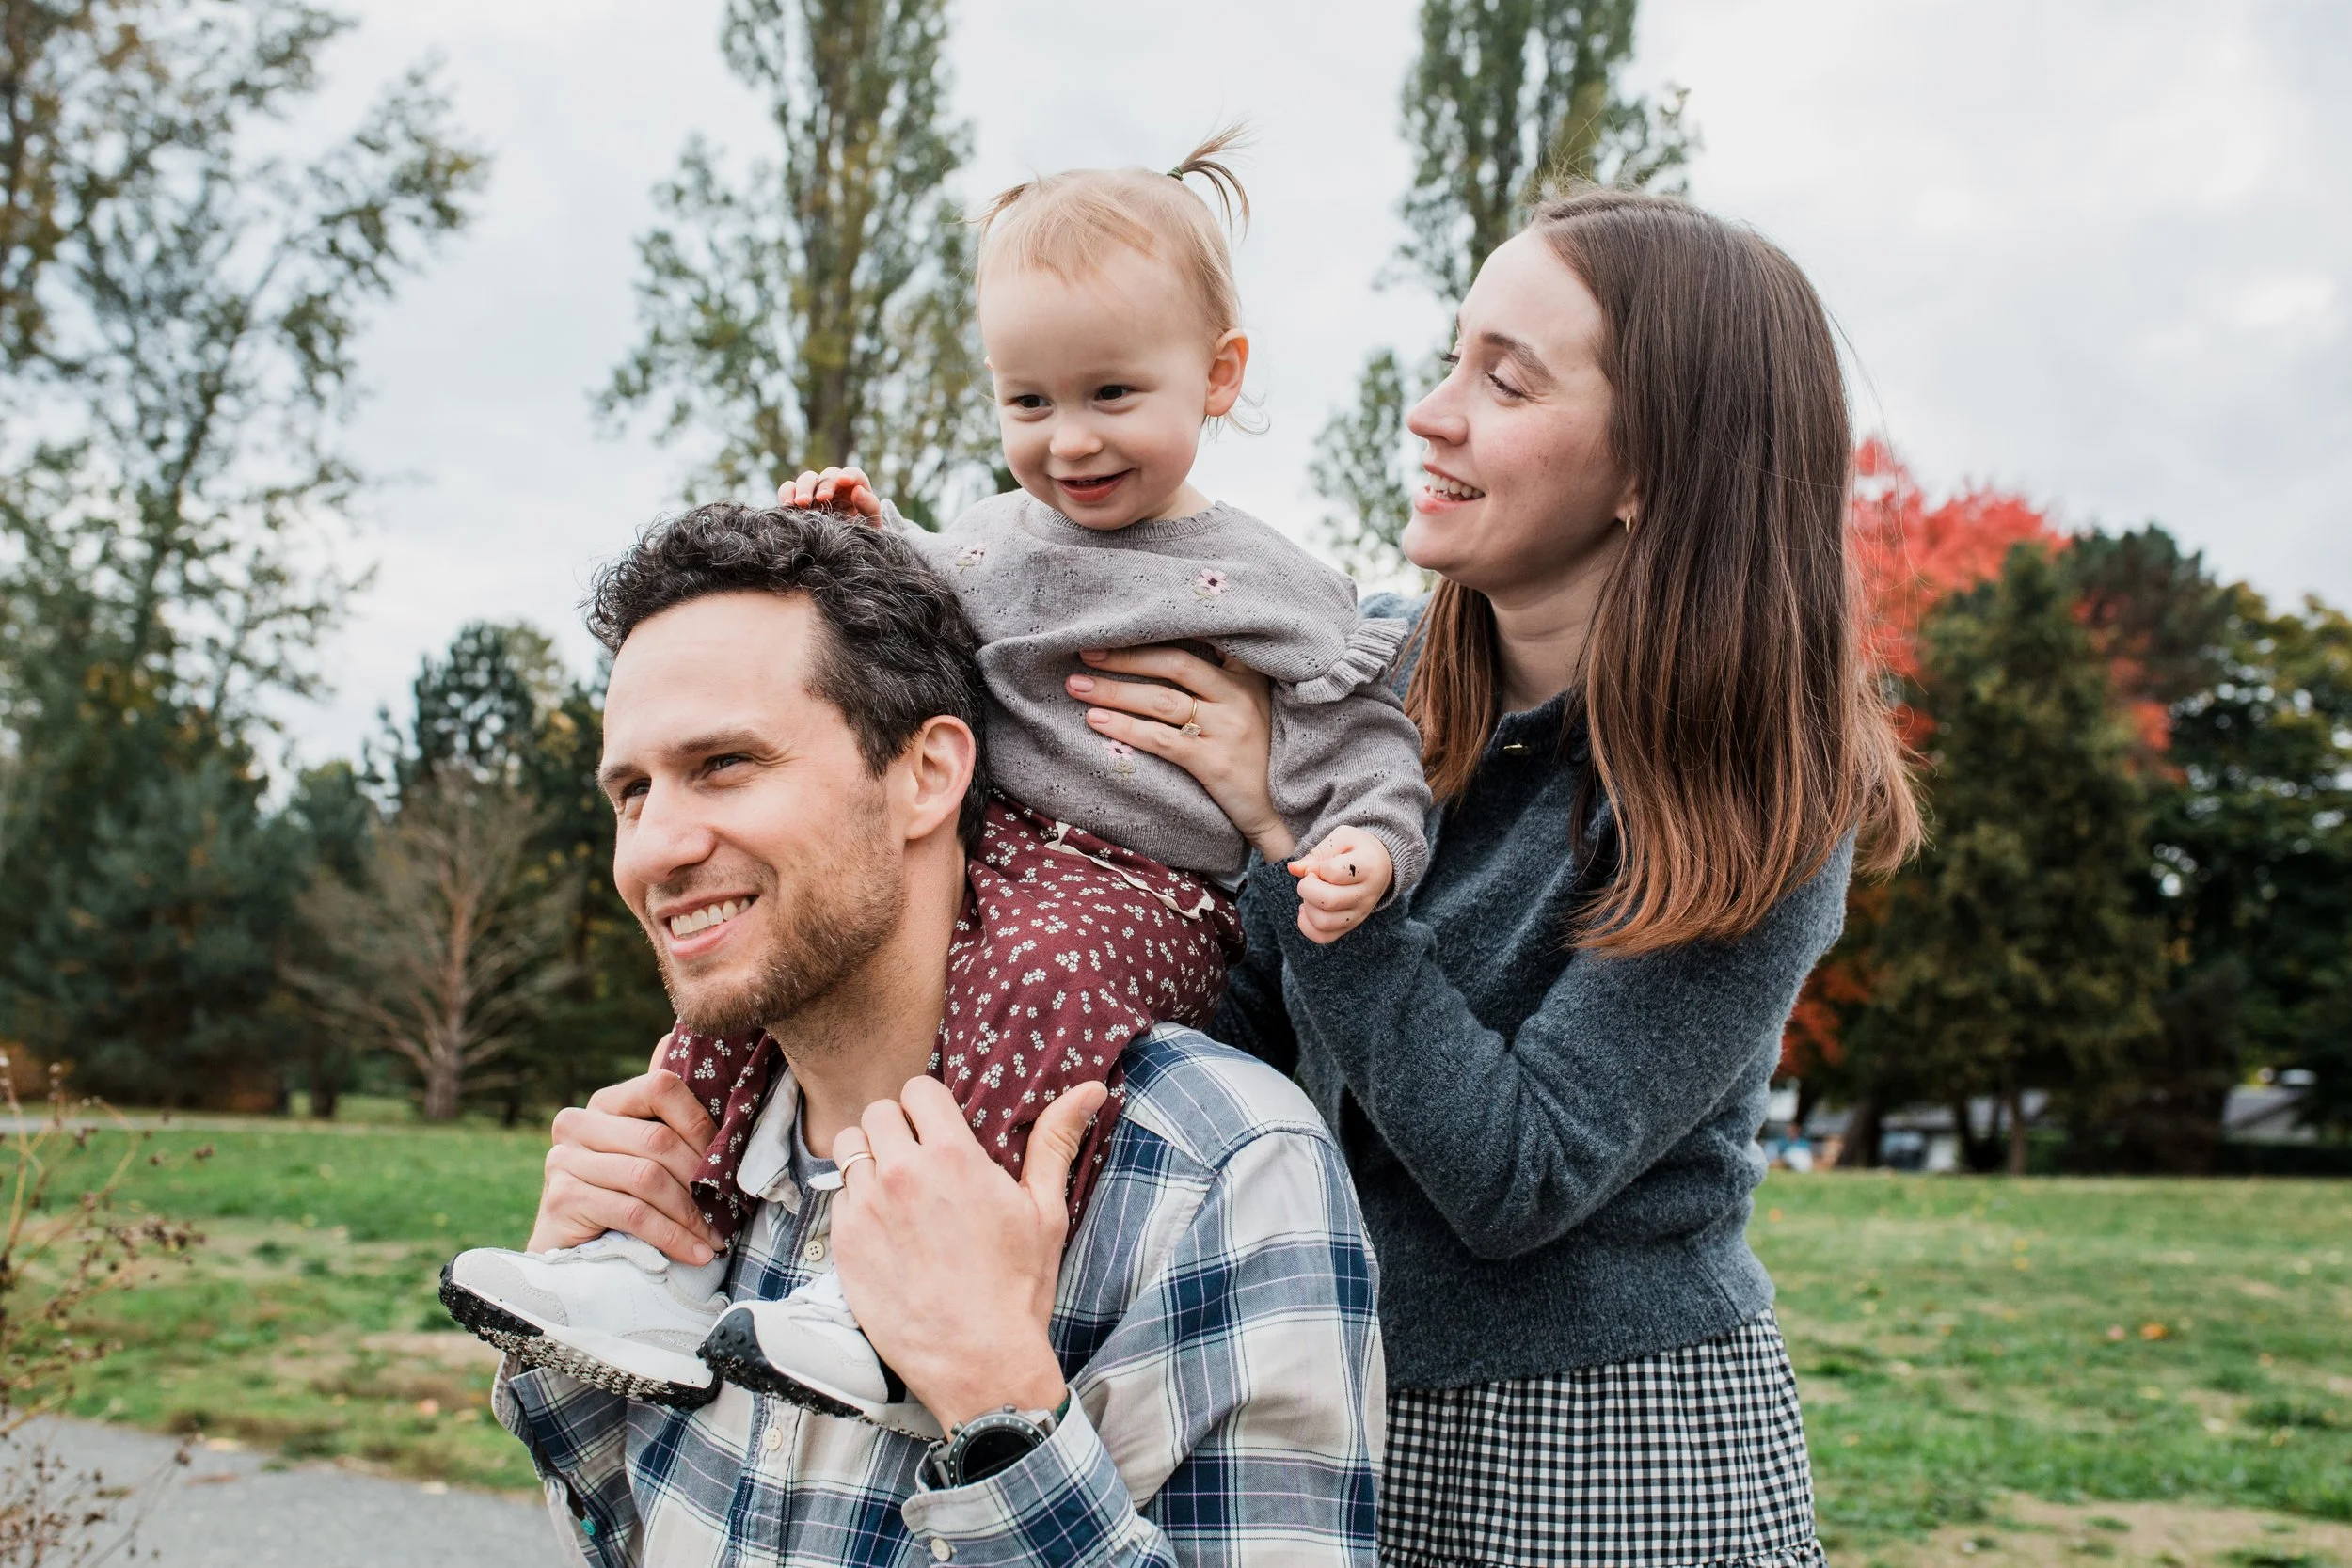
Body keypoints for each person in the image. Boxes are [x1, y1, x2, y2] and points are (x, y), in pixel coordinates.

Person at [443, 126, 1429, 1423]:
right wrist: (864, 529)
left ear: (1220, 374)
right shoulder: (989, 540)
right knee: (727, 1013)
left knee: (1032, 981)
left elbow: (1358, 731)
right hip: (990, 846)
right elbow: (911, 619)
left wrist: (1364, 836)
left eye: (1112, 396)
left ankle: (890, 1298)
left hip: (1134, 890)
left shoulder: (1264, 583)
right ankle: (651, 1263)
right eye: (1029, 403)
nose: (1068, 439)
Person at [1069, 187, 1922, 1568]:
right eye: (1455, 353)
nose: (1433, 410)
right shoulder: (1361, 688)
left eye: (1504, 380)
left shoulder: (1759, 801)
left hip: (1609, 1452)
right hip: (1319, 1396)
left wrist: (1299, 847)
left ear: (1655, 467)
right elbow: (1241, 1045)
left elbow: (1518, 1172)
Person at [476, 506, 1383, 1566]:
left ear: (927, 773)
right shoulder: (683, 1163)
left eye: (723, 763)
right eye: (632, 790)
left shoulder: (1216, 1167)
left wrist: (999, 1405)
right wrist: (582, 1328)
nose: (657, 848)